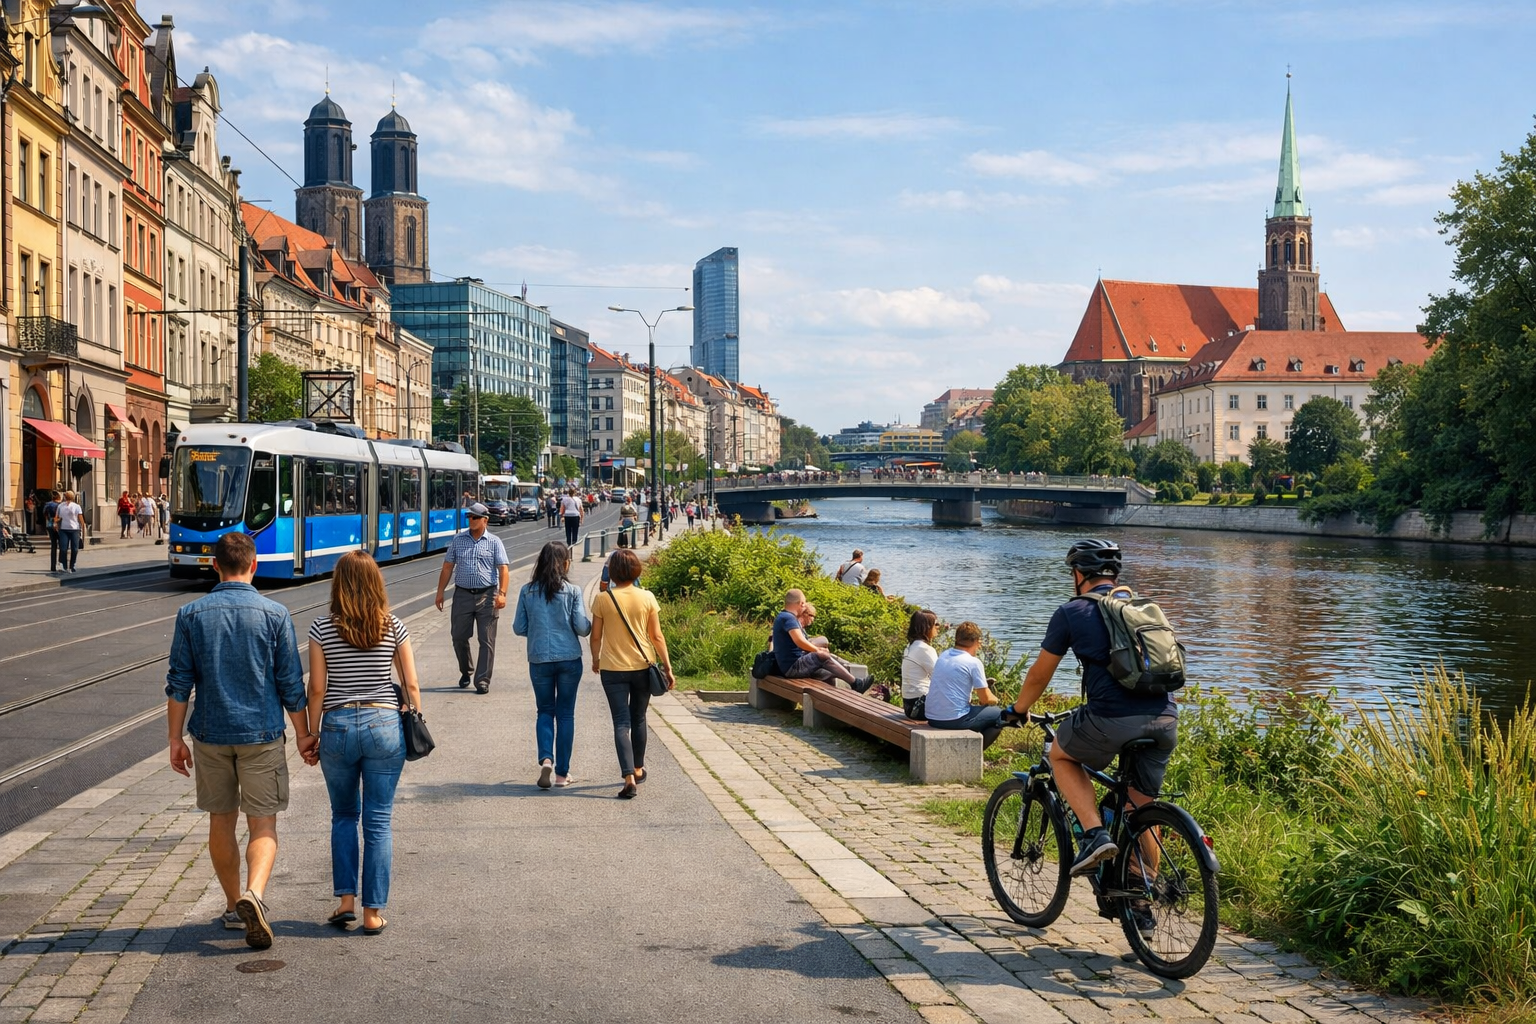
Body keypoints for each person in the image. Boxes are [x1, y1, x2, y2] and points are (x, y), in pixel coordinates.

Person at [1008, 540, 1178, 898]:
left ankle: (1094, 835)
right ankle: (1141, 898)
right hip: (1165, 719)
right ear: (1114, 575)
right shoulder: (1142, 608)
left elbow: (1040, 675)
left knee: (1060, 755)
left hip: (1111, 718)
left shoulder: (1073, 611)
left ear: (1077, 574)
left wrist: (1019, 709)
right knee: (1139, 807)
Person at [165, 532, 309, 950]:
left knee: (220, 820)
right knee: (262, 822)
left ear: (215, 566)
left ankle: (233, 906)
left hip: (210, 735)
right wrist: (303, 734)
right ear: (254, 565)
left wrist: (175, 739)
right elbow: (289, 684)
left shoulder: (191, 614)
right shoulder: (275, 614)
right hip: (261, 734)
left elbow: (179, 683)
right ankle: (255, 895)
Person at [304, 550, 420, 936]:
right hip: (383, 723)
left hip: (337, 725)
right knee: (379, 820)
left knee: (343, 815)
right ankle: (373, 913)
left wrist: (312, 732)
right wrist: (415, 715)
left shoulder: (321, 628)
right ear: (376, 583)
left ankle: (345, 903)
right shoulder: (393, 626)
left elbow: (316, 688)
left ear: (338, 584)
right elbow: (411, 683)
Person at [589, 548, 674, 799]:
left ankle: (628, 778)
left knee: (621, 722)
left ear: (613, 573)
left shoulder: (603, 598)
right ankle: (638, 768)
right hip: (642, 667)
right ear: (636, 570)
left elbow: (596, 636)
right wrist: (667, 667)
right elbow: (656, 636)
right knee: (638, 717)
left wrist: (596, 659)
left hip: (612, 668)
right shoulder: (647, 597)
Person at [513, 541, 592, 789]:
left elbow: (519, 627)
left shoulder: (527, 591)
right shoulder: (573, 591)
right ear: (565, 563)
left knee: (545, 710)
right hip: (569, 658)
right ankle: (562, 774)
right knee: (566, 714)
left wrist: (537, 632)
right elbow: (582, 627)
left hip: (539, 659)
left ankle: (546, 758)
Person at [434, 502, 510, 694]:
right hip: (463, 595)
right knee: (458, 636)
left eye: (475, 517)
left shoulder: (494, 542)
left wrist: (502, 594)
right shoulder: (458, 540)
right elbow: (447, 567)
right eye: (469, 517)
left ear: (485, 520)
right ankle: (466, 670)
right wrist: (440, 592)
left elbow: (503, 569)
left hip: (488, 595)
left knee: (486, 639)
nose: (471, 520)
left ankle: (482, 680)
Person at [771, 589, 873, 692]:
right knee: (822, 656)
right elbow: (800, 641)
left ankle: (840, 692)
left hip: (789, 667)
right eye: (805, 603)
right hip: (793, 667)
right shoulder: (788, 618)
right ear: (801, 603)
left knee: (828, 672)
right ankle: (856, 684)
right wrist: (817, 650)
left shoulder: (783, 616)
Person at [923, 621, 1003, 747]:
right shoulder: (973, 662)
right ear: (977, 642)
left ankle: (966, 749)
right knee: (1001, 715)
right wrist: (996, 700)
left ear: (957, 639)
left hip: (932, 718)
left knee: (977, 712)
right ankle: (972, 755)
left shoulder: (944, 655)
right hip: (953, 719)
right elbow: (986, 699)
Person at [901, 609, 941, 722]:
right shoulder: (925, 650)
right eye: (936, 624)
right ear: (926, 627)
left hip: (909, 706)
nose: (938, 627)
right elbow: (939, 678)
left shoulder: (910, 646)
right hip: (921, 707)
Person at [55, 490, 84, 573]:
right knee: (64, 548)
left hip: (74, 529)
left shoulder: (76, 506)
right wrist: (56, 523)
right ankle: (64, 565)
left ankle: (72, 564)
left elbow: (80, 518)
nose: (67, 497)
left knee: (74, 549)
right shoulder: (60, 506)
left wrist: (82, 527)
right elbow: (57, 517)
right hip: (64, 529)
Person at [42, 490, 60, 572]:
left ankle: (53, 566)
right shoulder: (60, 505)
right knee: (62, 545)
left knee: (53, 545)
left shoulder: (47, 504)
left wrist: (49, 519)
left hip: (50, 524)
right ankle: (61, 563)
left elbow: (44, 513)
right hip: (58, 525)